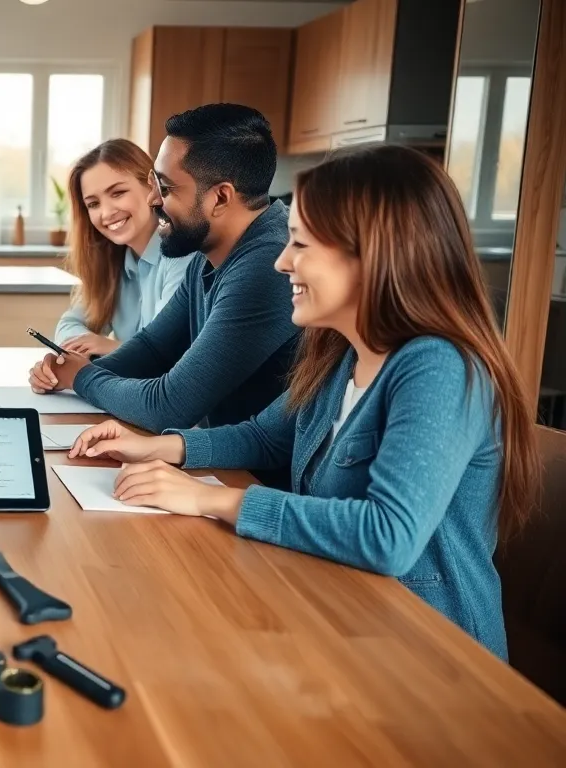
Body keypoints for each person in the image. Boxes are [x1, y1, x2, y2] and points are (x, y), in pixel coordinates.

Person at [68, 144, 541, 660]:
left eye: (300, 244)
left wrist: (211, 500)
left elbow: (388, 535)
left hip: (426, 655)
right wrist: (159, 448)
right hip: (340, 612)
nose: (281, 261)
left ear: (373, 253)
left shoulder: (438, 367)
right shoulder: (343, 351)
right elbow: (266, 436)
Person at [30, 103, 301, 487]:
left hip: (260, 485)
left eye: (166, 187)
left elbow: (169, 405)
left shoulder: (267, 265)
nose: (153, 198)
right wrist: (69, 370)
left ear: (220, 198)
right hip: (222, 466)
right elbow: (153, 349)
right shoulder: (208, 252)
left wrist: (84, 378)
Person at [52, 139, 195, 358]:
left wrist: (111, 347)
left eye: (117, 193)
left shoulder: (182, 257)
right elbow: (69, 323)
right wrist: (83, 349)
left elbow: (169, 354)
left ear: (152, 187)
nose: (106, 213)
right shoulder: (112, 263)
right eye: (93, 204)